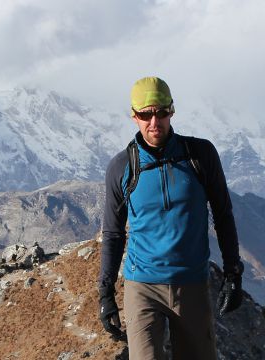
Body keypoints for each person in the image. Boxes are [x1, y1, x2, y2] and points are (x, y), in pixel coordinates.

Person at [98, 76, 244, 360]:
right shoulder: (121, 167)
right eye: (145, 115)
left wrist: (233, 272)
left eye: (161, 113)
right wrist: (105, 294)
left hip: (191, 283)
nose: (154, 123)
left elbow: (223, 215)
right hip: (142, 287)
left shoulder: (200, 155)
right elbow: (114, 235)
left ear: (172, 111)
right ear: (133, 116)